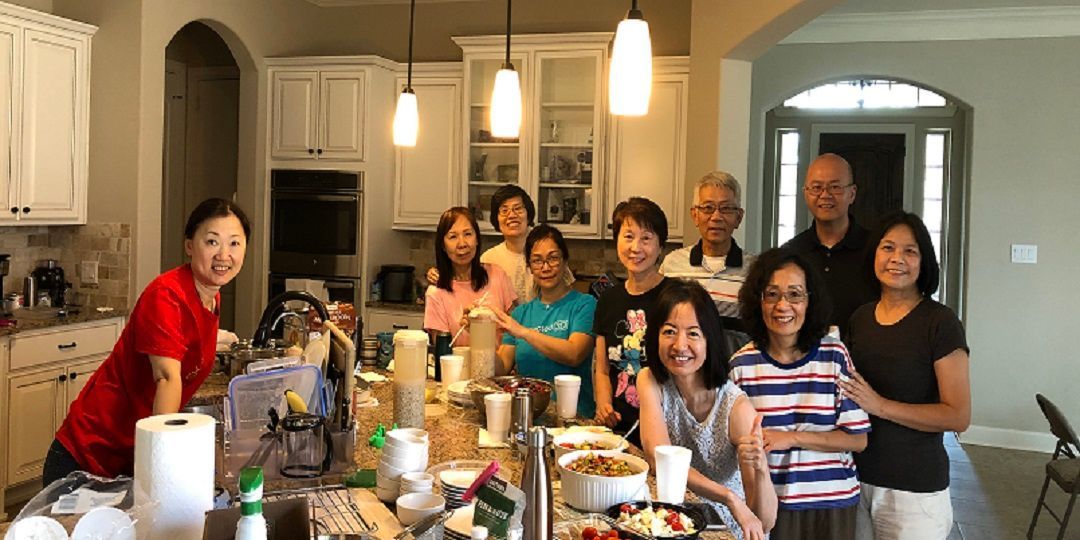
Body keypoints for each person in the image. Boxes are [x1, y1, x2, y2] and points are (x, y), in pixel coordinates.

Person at [44, 198, 250, 483]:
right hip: (88, 457)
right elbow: (166, 378)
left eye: (234, 243)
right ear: (190, 245)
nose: (224, 255)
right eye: (212, 242)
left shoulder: (211, 296)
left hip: (128, 458)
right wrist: (162, 464)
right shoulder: (167, 295)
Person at [839, 211, 971, 540]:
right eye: (887, 248)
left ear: (923, 262)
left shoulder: (940, 322)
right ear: (874, 256)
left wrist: (880, 405)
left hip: (914, 490)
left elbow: (958, 415)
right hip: (855, 478)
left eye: (910, 251)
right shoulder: (861, 318)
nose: (897, 259)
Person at [729, 248, 870, 540]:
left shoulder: (834, 356)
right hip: (772, 507)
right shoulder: (742, 366)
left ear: (810, 301)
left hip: (833, 504)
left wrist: (791, 437)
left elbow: (857, 439)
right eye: (772, 294)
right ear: (758, 301)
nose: (783, 305)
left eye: (795, 294)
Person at [637, 279, 776, 540]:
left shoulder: (736, 408)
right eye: (669, 331)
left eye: (693, 333)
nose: (680, 345)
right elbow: (659, 457)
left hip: (725, 530)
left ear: (709, 340)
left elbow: (764, 522)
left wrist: (760, 470)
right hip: (677, 522)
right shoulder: (651, 380)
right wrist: (728, 496)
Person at [492, 224, 597, 418]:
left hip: (575, 419)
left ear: (565, 261)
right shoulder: (521, 314)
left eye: (553, 258)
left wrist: (525, 333)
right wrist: (481, 330)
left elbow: (574, 353)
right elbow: (502, 367)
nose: (546, 267)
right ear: (529, 267)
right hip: (528, 415)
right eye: (537, 261)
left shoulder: (584, 304)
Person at [592, 197, 673, 444]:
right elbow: (603, 369)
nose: (635, 247)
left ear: (661, 246)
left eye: (646, 238)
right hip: (619, 431)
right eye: (628, 236)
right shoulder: (608, 299)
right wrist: (604, 405)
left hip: (665, 430)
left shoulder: (675, 298)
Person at [426, 185, 572, 302]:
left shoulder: (547, 247)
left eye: (518, 208)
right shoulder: (489, 260)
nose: (512, 215)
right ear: (496, 219)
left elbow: (568, 293)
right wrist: (438, 274)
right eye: (504, 210)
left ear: (529, 213)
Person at [782, 153, 875, 335]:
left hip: (865, 358)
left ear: (852, 193)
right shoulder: (790, 254)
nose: (825, 195)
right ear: (805, 193)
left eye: (835, 187)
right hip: (806, 358)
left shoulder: (876, 249)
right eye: (816, 187)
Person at [660, 171, 754, 333]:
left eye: (726, 209)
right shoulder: (672, 265)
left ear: (739, 217)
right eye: (708, 208)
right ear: (695, 215)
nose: (716, 217)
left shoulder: (754, 270)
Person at [423, 207, 516, 346]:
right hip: (458, 366)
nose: (462, 244)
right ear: (443, 245)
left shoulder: (497, 275)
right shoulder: (436, 293)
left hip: (502, 365)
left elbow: (515, 328)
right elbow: (443, 350)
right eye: (453, 236)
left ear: (477, 239)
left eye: (467, 234)